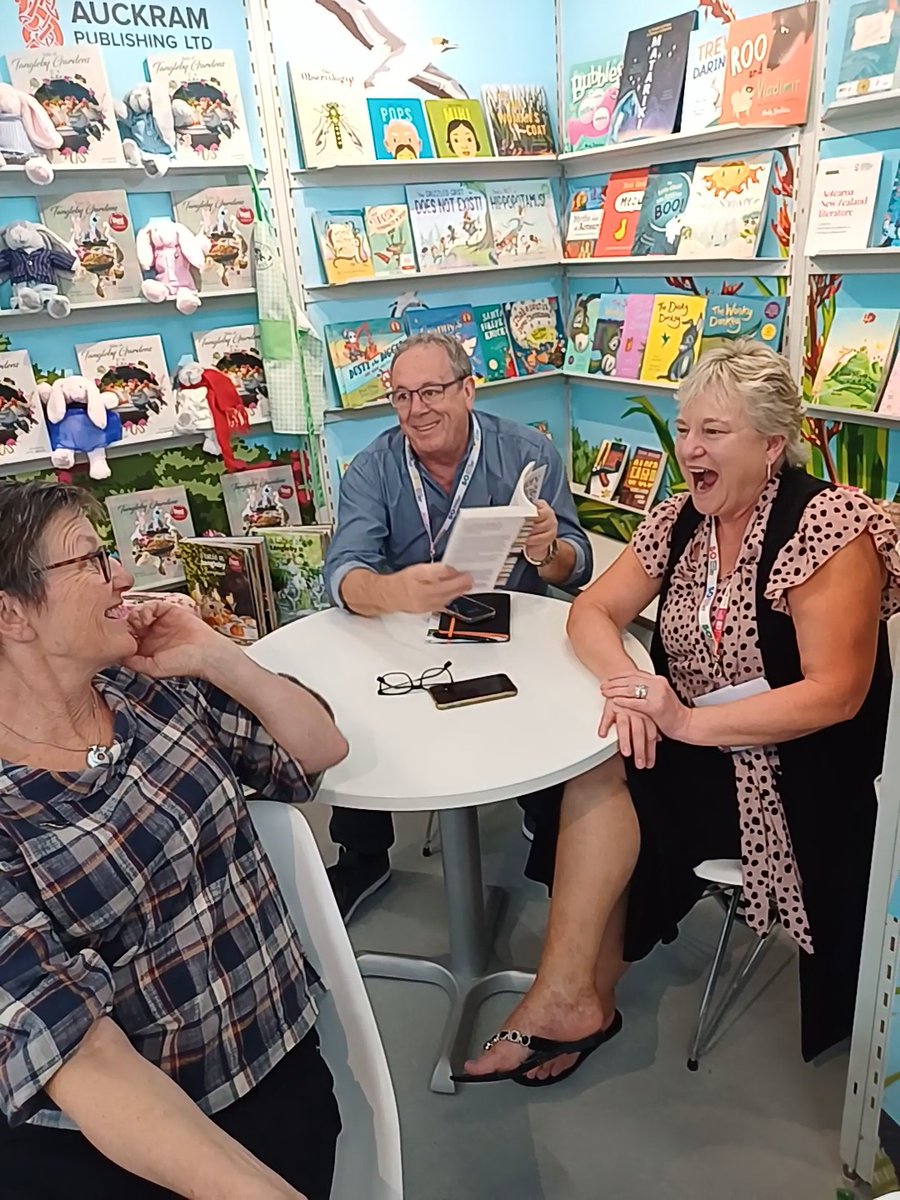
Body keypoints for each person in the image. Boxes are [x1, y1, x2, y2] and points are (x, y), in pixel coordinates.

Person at [458, 339, 900, 1086]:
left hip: (798, 774)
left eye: (713, 433)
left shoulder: (827, 526)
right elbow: (592, 610)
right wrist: (631, 686)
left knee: (615, 782)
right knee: (603, 765)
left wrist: (687, 723)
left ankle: (571, 998)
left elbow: (838, 694)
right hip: (695, 739)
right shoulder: (683, 518)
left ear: (771, 444)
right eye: (685, 427)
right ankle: (572, 998)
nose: (689, 448)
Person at [0, 480, 350, 1198]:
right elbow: (72, 1046)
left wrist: (214, 654)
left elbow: (319, 747)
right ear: (11, 613)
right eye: (92, 562)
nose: (123, 573)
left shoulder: (149, 690)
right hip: (129, 1143)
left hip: (274, 1069)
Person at [323, 331, 592, 920]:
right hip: (409, 638)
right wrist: (391, 589)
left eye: (431, 391)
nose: (416, 410)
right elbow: (342, 572)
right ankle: (363, 854)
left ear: (469, 389)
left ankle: (551, 839)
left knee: (551, 705)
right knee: (354, 706)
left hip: (511, 632)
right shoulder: (373, 468)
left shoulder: (529, 453)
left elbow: (577, 564)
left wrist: (548, 550)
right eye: (400, 396)